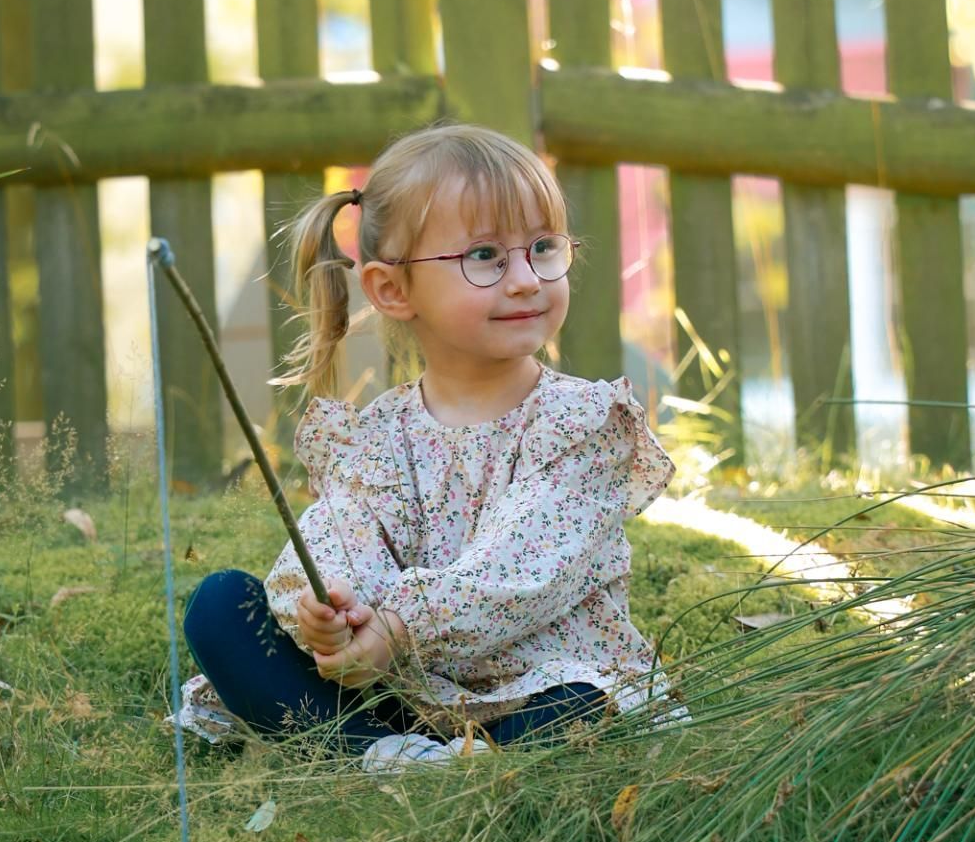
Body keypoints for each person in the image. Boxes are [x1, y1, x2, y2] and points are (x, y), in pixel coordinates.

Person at [178, 124, 675, 771]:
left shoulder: (580, 424)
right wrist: (341, 616)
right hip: (399, 690)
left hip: (532, 684)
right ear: (393, 289)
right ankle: (390, 753)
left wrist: (400, 628)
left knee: (584, 706)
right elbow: (337, 537)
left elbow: (522, 573)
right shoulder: (379, 438)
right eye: (486, 257)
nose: (527, 279)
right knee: (220, 609)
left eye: (544, 248)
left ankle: (419, 759)